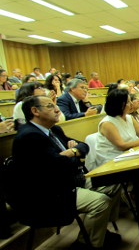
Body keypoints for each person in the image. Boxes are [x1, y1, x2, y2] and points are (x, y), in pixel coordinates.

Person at [8, 95, 121, 249]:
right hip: (48, 194)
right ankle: (85, 245)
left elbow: (83, 146)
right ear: (35, 111)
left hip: (68, 180)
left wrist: (71, 152)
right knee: (101, 202)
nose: (57, 109)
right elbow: (58, 165)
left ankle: (98, 231)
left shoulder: (53, 129)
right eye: (50, 106)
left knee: (114, 183)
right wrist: (73, 155)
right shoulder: (30, 136)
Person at [95, 89, 139, 166]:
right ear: (119, 104)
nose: (132, 104)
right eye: (128, 102)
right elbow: (122, 146)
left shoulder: (129, 117)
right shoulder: (107, 123)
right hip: (112, 161)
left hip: (129, 154)